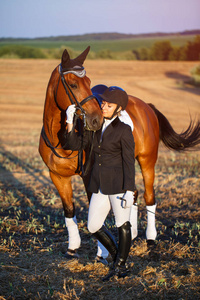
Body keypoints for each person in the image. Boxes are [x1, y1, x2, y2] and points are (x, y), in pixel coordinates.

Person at [65, 86, 135, 280]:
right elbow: (74, 144)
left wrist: (130, 190)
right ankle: (117, 261)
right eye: (103, 103)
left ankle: (119, 267)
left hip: (119, 185)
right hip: (99, 184)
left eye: (108, 105)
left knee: (123, 224)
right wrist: (69, 121)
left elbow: (129, 162)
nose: (103, 107)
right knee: (93, 225)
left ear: (118, 108)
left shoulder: (124, 130)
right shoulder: (94, 126)